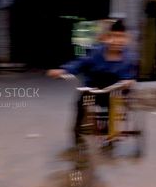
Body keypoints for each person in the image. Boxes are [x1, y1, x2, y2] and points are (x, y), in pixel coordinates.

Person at [47, 19, 137, 148]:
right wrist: (63, 70)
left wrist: (129, 80)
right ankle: (78, 135)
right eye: (114, 36)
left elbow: (130, 74)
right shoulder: (96, 52)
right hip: (93, 90)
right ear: (106, 38)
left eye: (122, 37)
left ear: (127, 39)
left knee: (117, 102)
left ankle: (111, 134)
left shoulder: (128, 58)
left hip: (114, 93)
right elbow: (80, 63)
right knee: (81, 103)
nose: (118, 41)